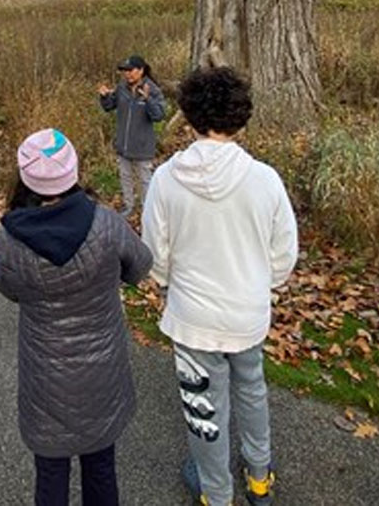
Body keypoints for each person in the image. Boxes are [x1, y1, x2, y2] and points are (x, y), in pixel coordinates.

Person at [142, 66, 298, 506]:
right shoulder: (264, 179)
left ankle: (216, 492)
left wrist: (167, 283)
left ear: (189, 118)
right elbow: (284, 253)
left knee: (203, 406)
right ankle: (259, 478)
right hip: (247, 312)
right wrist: (259, 284)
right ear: (242, 118)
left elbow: (156, 252)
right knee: (252, 389)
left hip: (193, 318)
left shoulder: (166, 180)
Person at [0, 128, 153, 506]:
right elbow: (140, 267)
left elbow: (8, 288)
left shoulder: (8, 237)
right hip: (102, 371)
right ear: (74, 172)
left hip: (45, 376)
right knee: (101, 466)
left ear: (24, 177)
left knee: (50, 473)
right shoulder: (107, 224)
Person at [98, 54, 166, 217]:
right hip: (123, 146)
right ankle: (129, 208)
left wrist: (147, 99)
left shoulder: (152, 89)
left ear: (141, 70)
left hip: (143, 147)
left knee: (145, 182)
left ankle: (148, 212)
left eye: (131, 70)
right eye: (124, 71)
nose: (127, 74)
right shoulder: (122, 87)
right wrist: (104, 96)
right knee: (125, 179)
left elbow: (159, 115)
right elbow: (109, 106)